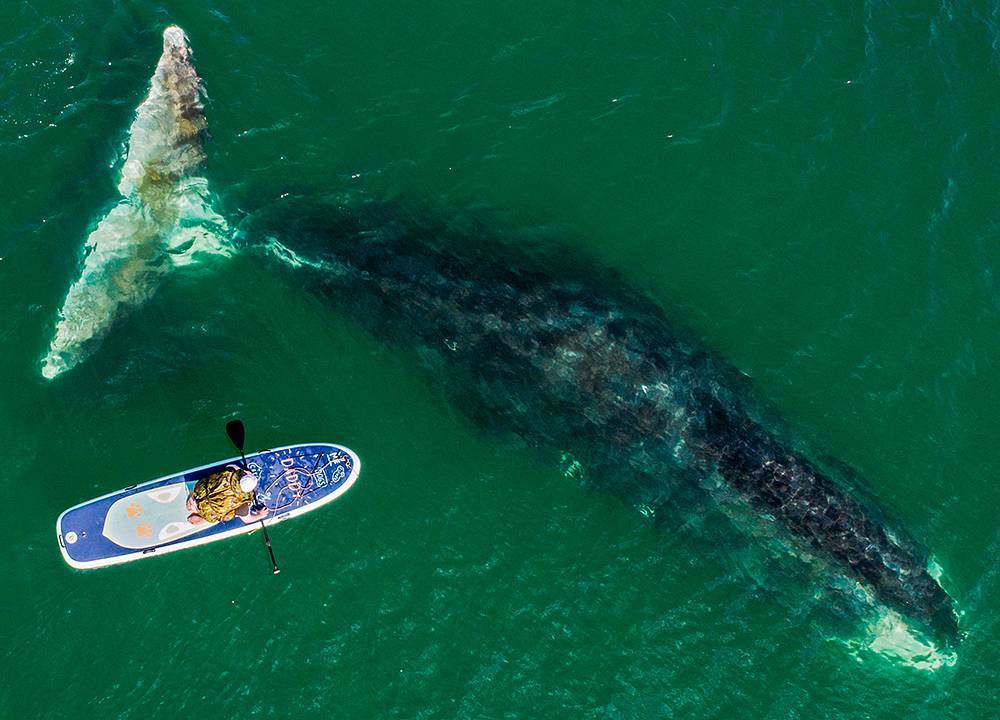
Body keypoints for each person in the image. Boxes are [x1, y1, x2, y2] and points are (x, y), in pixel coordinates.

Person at [186, 464, 269, 525]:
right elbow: (247, 520)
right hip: (208, 511)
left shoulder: (230, 473)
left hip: (200, 495)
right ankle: (200, 517)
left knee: (203, 490)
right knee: (215, 516)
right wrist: (260, 515)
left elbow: (230, 465)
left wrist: (245, 471)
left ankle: (193, 504)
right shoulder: (243, 503)